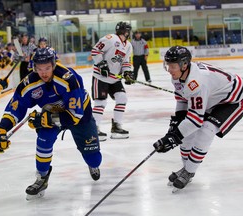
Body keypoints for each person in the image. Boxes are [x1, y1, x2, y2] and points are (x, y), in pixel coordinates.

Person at [0, 47, 102, 200]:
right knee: (44, 138)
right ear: (34, 67)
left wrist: (48, 120)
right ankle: (42, 177)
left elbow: (75, 115)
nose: (44, 72)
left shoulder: (68, 78)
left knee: (94, 159)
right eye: (39, 68)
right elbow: (16, 107)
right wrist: (2, 128)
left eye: (47, 68)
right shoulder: (29, 83)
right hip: (51, 112)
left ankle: (92, 162)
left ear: (54, 65)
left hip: (80, 114)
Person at [153, 46, 243, 191]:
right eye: (167, 65)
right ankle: (185, 168)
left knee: (206, 129)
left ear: (184, 65)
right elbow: (182, 100)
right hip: (214, 97)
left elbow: (195, 120)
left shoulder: (196, 82)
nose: (169, 69)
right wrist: (175, 126)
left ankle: (189, 171)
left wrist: (173, 137)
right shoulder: (178, 76)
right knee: (184, 130)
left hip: (234, 100)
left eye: (173, 66)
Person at [91, 21, 134, 141]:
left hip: (114, 78)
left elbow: (126, 62)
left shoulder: (128, 46)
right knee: (101, 102)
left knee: (122, 98)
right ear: (126, 32)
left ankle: (116, 126)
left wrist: (127, 72)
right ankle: (94, 129)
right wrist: (101, 64)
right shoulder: (110, 39)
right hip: (101, 77)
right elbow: (95, 51)